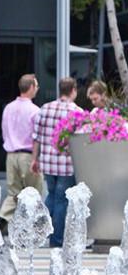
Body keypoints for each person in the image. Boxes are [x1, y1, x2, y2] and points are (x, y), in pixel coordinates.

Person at [31, 77, 82, 248]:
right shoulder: (77, 112)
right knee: (61, 201)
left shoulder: (45, 108)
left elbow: (36, 137)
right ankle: (56, 241)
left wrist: (34, 159)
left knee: (52, 196)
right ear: (73, 90)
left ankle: (36, 232)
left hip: (47, 162)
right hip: (66, 165)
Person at [0, 74, 44, 233]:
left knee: (13, 194)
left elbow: (4, 132)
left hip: (11, 155)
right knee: (34, 193)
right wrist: (35, 159)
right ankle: (32, 230)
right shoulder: (35, 110)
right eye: (36, 86)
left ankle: (2, 218)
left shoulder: (8, 108)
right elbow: (36, 137)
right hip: (27, 155)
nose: (37, 89)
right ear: (31, 87)